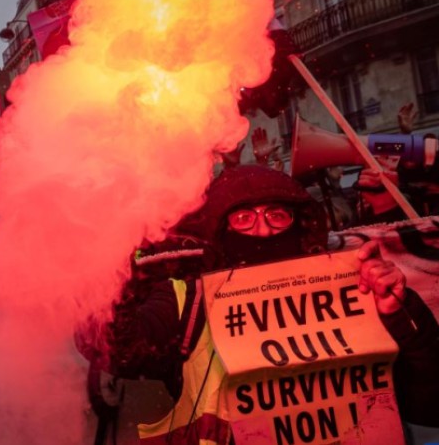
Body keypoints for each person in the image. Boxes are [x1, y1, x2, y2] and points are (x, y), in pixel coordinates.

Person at [104, 165, 439, 443]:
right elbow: (117, 352)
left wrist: (400, 312)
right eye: (243, 219)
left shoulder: (355, 287)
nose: (263, 232)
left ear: (300, 223)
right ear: (222, 231)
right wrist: (115, 286)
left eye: (277, 216)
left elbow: (429, 404)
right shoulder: (187, 301)